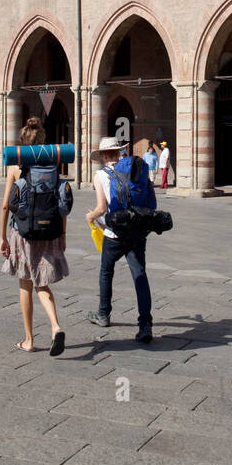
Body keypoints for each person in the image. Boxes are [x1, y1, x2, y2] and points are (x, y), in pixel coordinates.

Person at [0, 118, 67, 356]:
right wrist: (63, 234)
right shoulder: (52, 165)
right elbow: (61, 204)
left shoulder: (15, 168)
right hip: (49, 232)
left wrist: (2, 237)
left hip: (23, 232)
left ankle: (29, 340)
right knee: (42, 282)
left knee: (25, 283)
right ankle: (55, 327)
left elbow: (6, 206)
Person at [86, 135, 155, 344]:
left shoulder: (100, 175)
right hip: (137, 232)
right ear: (119, 152)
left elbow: (102, 208)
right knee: (140, 275)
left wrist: (89, 217)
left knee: (106, 272)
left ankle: (103, 314)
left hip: (114, 235)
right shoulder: (134, 169)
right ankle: (145, 325)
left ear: (104, 155)